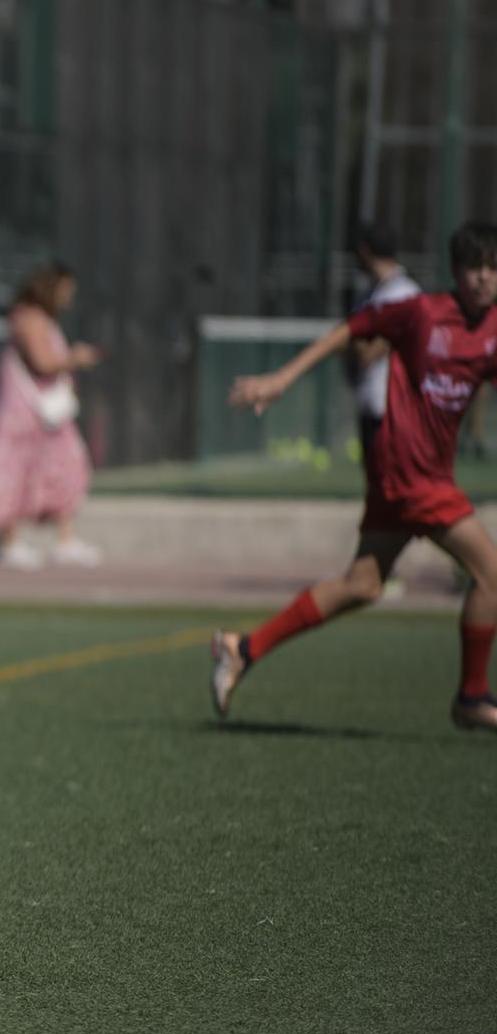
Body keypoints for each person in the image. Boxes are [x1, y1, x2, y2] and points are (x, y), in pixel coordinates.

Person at [213, 220, 497, 733]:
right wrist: (281, 379)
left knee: (362, 584)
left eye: (493, 268)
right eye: (474, 267)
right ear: (456, 271)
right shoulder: (421, 311)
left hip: (420, 475)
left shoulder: (493, 329)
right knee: (491, 575)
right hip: (411, 474)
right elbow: (350, 329)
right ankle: (472, 697)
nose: (483, 278)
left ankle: (244, 648)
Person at [0, 262, 102, 570]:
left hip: (47, 420)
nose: (68, 298)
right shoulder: (29, 318)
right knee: (15, 473)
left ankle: (65, 540)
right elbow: (43, 363)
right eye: (65, 290)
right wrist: (75, 359)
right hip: (24, 415)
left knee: (66, 467)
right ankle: (10, 542)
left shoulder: (43, 319)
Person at [347, 221, 421, 455]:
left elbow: (369, 352)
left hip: (395, 408)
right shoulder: (367, 294)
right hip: (369, 403)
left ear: (364, 251)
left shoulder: (405, 292)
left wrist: (359, 339)